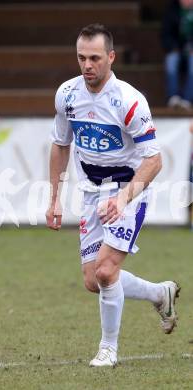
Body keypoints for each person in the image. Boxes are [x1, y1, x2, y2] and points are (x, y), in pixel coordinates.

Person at [46, 23, 180, 367]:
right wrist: (54, 198)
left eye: (94, 58)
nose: (87, 65)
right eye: (81, 58)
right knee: (94, 281)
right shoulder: (67, 95)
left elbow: (155, 160)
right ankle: (159, 293)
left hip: (129, 191)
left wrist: (122, 200)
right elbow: (61, 145)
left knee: (107, 271)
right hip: (91, 192)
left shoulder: (129, 100)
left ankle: (108, 349)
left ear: (111, 57)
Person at [162, 0, 193, 109]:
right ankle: (173, 98)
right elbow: (166, 34)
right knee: (171, 60)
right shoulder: (172, 10)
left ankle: (188, 100)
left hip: (191, 52)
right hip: (176, 49)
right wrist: (173, 48)